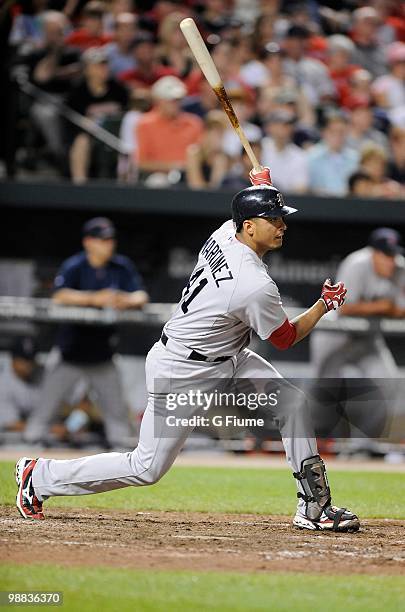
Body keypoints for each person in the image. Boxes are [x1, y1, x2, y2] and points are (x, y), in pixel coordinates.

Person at [16, 168, 360, 534]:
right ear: (248, 227)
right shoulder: (253, 284)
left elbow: (241, 213)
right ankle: (40, 477)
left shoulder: (225, 232)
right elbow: (285, 338)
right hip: (184, 369)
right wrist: (324, 304)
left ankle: (314, 507)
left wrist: (261, 187)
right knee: (146, 468)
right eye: (273, 219)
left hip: (229, 358)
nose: (282, 225)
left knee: (293, 404)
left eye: (281, 218)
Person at [24, 217, 149, 450]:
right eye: (102, 240)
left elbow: (141, 296)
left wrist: (125, 299)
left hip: (102, 355)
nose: (108, 244)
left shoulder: (121, 266)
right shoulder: (75, 265)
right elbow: (59, 295)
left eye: (110, 239)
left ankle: (123, 457)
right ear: (88, 242)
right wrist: (94, 298)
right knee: (45, 409)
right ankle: (29, 449)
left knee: (118, 418)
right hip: (69, 353)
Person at [311, 227, 405, 380]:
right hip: (336, 333)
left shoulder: (400, 268)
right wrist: (381, 307)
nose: (391, 262)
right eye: (386, 255)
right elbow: (343, 308)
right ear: (373, 253)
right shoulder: (356, 263)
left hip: (366, 337)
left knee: (388, 381)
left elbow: (401, 310)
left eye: (393, 255)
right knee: (324, 389)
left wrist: (379, 308)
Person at [66, 46, 129, 182]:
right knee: (81, 143)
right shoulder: (78, 91)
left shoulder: (117, 88)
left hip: (116, 133)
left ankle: (125, 183)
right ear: (87, 69)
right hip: (91, 134)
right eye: (98, 66)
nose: (103, 69)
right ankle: (80, 183)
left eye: (105, 65)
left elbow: (126, 111)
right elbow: (75, 119)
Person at [136, 76, 203, 179]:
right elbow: (141, 163)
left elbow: (202, 155)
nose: (175, 104)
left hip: (190, 176)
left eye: (178, 100)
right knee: (158, 180)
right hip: (159, 177)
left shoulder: (193, 123)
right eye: (171, 100)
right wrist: (173, 167)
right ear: (158, 101)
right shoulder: (145, 124)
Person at [307, 112, 359, 196]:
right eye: (333, 131)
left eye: (341, 132)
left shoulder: (355, 158)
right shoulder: (311, 157)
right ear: (325, 132)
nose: (337, 135)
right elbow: (307, 188)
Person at [0, 337, 42, 432]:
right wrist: (51, 429)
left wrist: (72, 427)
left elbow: (78, 403)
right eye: (23, 359)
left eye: (31, 359)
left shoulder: (43, 376)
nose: (28, 364)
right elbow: (12, 424)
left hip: (48, 437)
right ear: (13, 359)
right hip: (10, 441)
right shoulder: (3, 383)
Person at [261, 110, 309, 193]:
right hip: (261, 196)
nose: (283, 129)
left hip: (286, 201)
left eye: (287, 125)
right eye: (279, 124)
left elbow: (300, 188)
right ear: (270, 127)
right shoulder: (260, 148)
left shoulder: (299, 155)